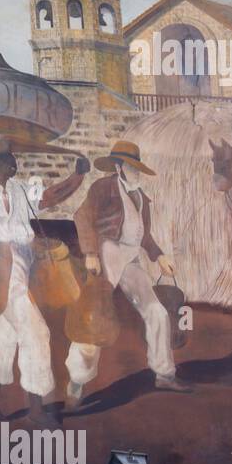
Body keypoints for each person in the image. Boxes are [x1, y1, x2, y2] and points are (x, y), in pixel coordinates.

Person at [0, 139, 88, 414]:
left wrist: (78, 175)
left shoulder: (18, 189)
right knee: (35, 330)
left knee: (7, 331)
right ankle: (37, 408)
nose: (14, 161)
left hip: (22, 263)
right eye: (7, 156)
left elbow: (50, 197)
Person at [65, 140, 190, 401]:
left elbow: (143, 236)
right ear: (119, 167)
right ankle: (77, 380)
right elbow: (81, 216)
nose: (136, 173)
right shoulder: (103, 187)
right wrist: (90, 253)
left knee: (156, 311)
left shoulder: (141, 197)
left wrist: (159, 256)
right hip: (107, 251)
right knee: (94, 314)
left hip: (131, 258)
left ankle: (164, 374)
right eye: (132, 167)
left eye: (138, 168)